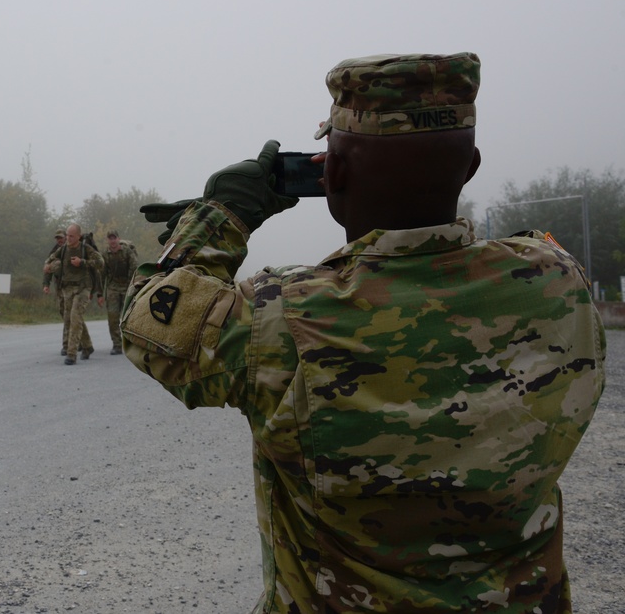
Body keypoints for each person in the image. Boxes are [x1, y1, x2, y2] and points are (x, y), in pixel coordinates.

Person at [121, 53, 606, 613]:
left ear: (335, 172)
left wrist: (220, 216)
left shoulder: (282, 318)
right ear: (470, 165)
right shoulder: (558, 283)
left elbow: (148, 323)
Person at [45, 223, 103, 365]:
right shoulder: (63, 250)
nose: (68, 238)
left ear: (79, 236)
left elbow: (100, 263)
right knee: (70, 319)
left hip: (83, 288)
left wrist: (82, 262)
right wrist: (48, 266)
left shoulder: (85, 249)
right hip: (67, 289)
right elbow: (50, 259)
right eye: (67, 235)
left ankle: (71, 354)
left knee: (75, 317)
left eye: (71, 236)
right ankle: (88, 346)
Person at [96, 229, 137, 355]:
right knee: (112, 318)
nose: (112, 241)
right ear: (108, 240)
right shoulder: (105, 254)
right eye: (110, 238)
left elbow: (134, 268)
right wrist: (100, 294)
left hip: (127, 286)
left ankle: (132, 343)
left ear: (118, 239)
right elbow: (102, 275)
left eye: (114, 238)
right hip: (112, 288)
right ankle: (117, 345)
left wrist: (133, 287)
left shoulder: (127, 252)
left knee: (129, 317)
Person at [43, 228, 70, 355]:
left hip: (73, 286)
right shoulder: (54, 252)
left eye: (61, 238)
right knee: (63, 313)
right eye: (57, 238)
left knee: (70, 314)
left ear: (66, 237)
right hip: (59, 287)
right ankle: (75, 340)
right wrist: (46, 284)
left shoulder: (73, 248)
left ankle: (68, 345)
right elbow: (47, 268)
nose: (59, 240)